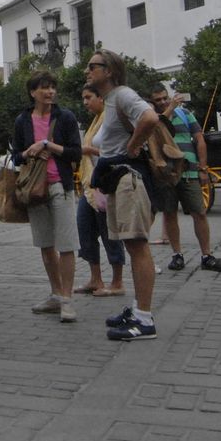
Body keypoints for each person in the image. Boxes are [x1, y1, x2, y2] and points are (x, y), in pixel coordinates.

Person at [86, 50, 162, 342]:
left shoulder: (123, 95)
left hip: (131, 180)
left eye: (93, 66)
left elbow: (150, 118)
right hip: (120, 181)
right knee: (132, 246)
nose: (88, 71)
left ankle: (144, 318)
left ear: (110, 70)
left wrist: (132, 146)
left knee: (138, 245)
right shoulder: (111, 100)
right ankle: (138, 309)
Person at [14, 70, 83, 323]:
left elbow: (76, 152)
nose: (50, 91)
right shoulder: (22, 120)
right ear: (33, 92)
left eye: (53, 87)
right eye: (44, 87)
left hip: (59, 185)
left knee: (66, 244)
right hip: (34, 188)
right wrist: (30, 153)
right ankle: (55, 293)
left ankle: (67, 299)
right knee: (45, 244)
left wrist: (47, 145)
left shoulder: (65, 117)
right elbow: (15, 156)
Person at [150, 84, 221, 273]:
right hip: (166, 173)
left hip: (189, 171)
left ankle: (206, 255)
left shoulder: (185, 114)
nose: (162, 102)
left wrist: (202, 168)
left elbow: (199, 139)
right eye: (157, 100)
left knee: (199, 212)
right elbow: (157, 127)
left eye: (164, 98)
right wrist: (169, 108)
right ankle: (177, 254)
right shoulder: (153, 117)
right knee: (169, 213)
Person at [74, 84, 124, 296]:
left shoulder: (110, 120)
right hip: (89, 184)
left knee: (109, 233)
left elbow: (113, 151)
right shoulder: (95, 121)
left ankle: (117, 282)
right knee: (85, 230)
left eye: (89, 97)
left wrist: (88, 149)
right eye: (83, 98)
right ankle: (95, 278)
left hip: (105, 183)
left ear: (101, 98)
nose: (85, 102)